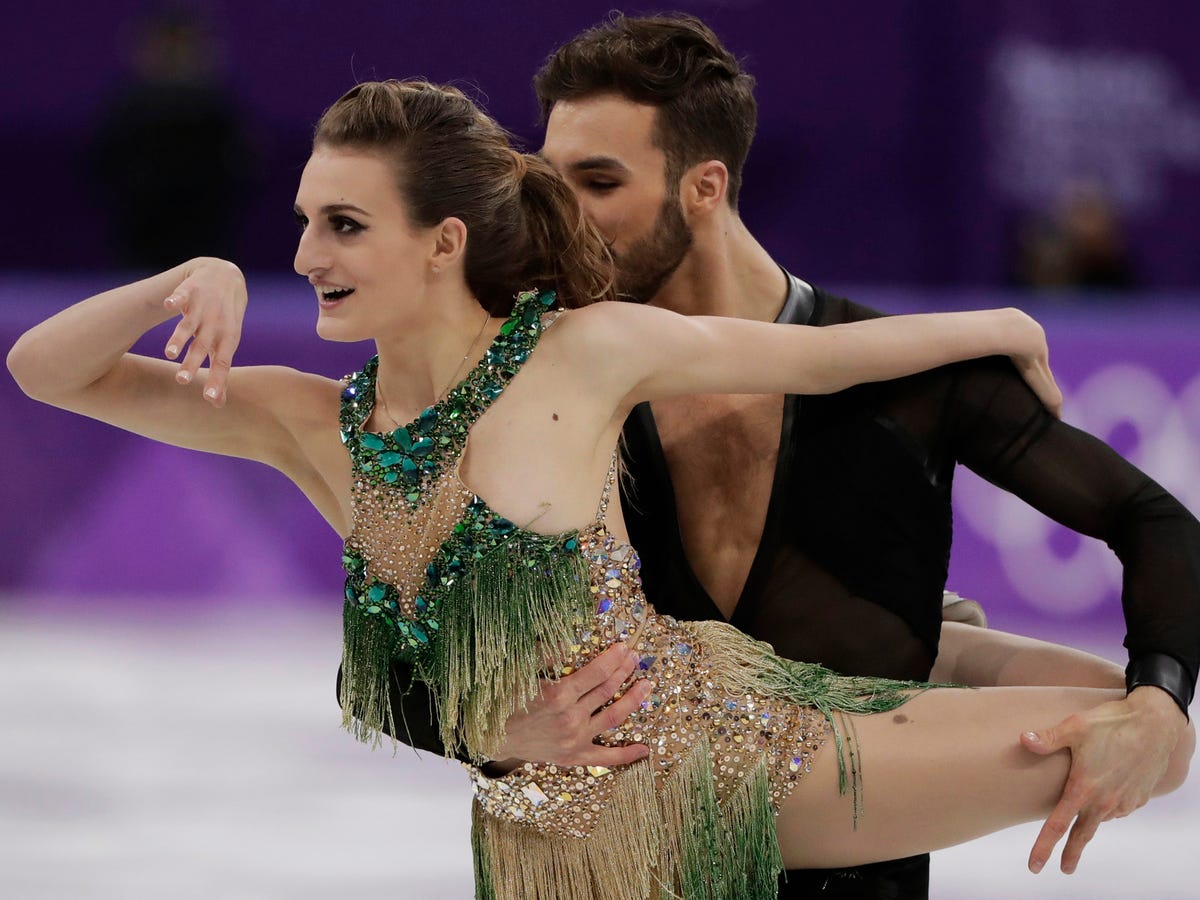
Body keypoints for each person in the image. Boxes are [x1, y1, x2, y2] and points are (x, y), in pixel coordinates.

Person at [7, 80, 1191, 900]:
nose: (309, 252)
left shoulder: (581, 353)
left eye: (347, 224)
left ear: (444, 242)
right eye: (306, 219)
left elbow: (821, 356)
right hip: (540, 851)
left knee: (1121, 722)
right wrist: (184, 274)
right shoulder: (310, 424)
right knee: (1099, 721)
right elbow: (44, 370)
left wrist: (1004, 320)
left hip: (721, 765)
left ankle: (952, 653)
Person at [369, 14, 1200, 898]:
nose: (560, 215)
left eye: (599, 181)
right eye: (553, 179)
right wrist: (496, 730)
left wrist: (1157, 699)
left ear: (704, 187)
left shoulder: (911, 378)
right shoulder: (549, 386)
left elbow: (1152, 519)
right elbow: (385, 656)